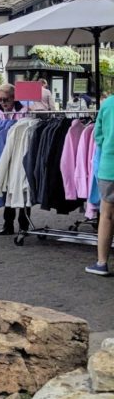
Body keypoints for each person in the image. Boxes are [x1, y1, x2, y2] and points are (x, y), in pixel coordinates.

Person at [0, 83, 31, 234]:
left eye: (5, 99)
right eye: (0, 100)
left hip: (20, 152)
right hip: (4, 152)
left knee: (22, 187)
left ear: (14, 97)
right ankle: (8, 224)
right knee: (7, 187)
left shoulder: (25, 111)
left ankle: (24, 224)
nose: (3, 103)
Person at [86, 92, 114, 275]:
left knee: (107, 216)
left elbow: (99, 135)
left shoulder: (108, 103)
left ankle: (102, 262)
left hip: (109, 167)